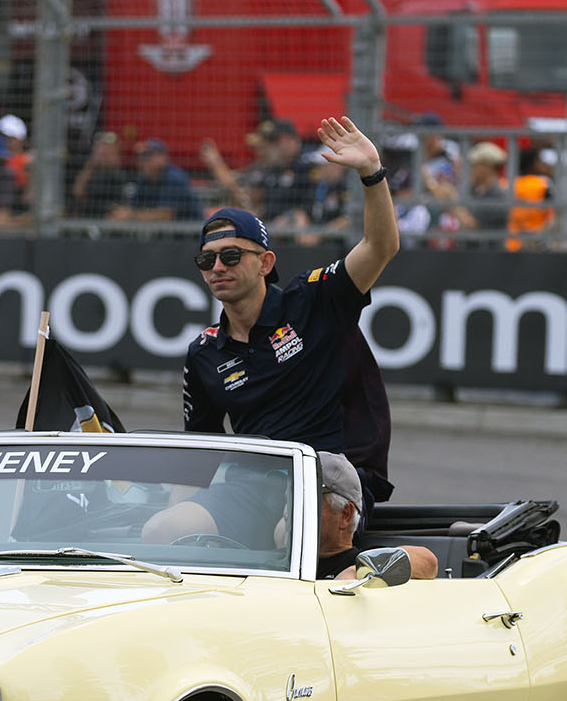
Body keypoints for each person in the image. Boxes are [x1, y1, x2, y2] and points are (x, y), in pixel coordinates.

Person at [142, 115, 400, 546]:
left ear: (265, 263)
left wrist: (372, 173)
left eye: (231, 256)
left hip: (332, 475)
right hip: (252, 486)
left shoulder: (313, 299)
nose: (217, 267)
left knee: (291, 537)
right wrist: (171, 521)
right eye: (206, 260)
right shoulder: (204, 352)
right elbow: (197, 458)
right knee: (163, 530)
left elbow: (380, 246)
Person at [313, 452, 437, 581]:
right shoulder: (298, 563)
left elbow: (428, 561)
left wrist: (357, 572)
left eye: (310, 501)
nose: (300, 511)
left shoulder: (361, 562)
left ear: (346, 515)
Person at [107, 138, 200, 222]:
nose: (142, 162)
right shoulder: (144, 179)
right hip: (164, 233)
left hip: (190, 232)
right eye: (140, 158)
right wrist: (121, 212)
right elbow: (133, 206)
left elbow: (166, 215)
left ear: (162, 158)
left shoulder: (175, 177)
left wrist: (131, 215)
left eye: (147, 157)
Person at [70, 131, 132, 218]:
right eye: (102, 150)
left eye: (110, 150)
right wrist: (92, 162)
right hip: (90, 217)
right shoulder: (91, 173)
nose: (105, 153)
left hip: (113, 217)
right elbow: (77, 192)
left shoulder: (123, 175)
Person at [506, 144, 554, 251]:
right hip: (537, 242)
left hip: (510, 243)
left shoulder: (507, 184)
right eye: (539, 161)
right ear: (532, 164)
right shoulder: (543, 183)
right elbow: (552, 217)